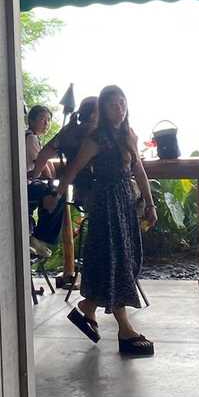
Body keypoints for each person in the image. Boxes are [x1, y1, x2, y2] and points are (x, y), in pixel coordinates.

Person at [58, 85, 157, 357]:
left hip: (125, 202)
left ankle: (87, 308)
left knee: (122, 259)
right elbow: (73, 169)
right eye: (113, 104)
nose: (119, 108)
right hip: (105, 205)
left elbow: (139, 170)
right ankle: (125, 330)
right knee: (116, 260)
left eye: (122, 103)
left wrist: (150, 203)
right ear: (104, 108)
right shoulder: (97, 139)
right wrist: (56, 194)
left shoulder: (128, 135)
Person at [25, 104, 63, 259]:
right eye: (43, 119)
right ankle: (40, 238)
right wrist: (51, 181)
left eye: (48, 120)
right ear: (31, 120)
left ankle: (38, 238)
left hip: (29, 182)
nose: (46, 124)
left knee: (53, 194)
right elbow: (42, 165)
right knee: (57, 196)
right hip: (25, 184)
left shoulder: (34, 138)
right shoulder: (31, 138)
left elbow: (47, 165)